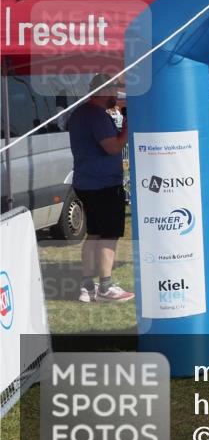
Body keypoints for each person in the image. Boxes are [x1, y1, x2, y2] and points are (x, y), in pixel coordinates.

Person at [68, 73, 134, 303]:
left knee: (94, 233)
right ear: (104, 90)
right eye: (114, 90)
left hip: (87, 182)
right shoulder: (95, 115)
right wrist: (127, 129)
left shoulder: (81, 114)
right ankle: (105, 287)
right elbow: (113, 147)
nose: (116, 95)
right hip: (103, 184)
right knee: (108, 234)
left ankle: (87, 286)